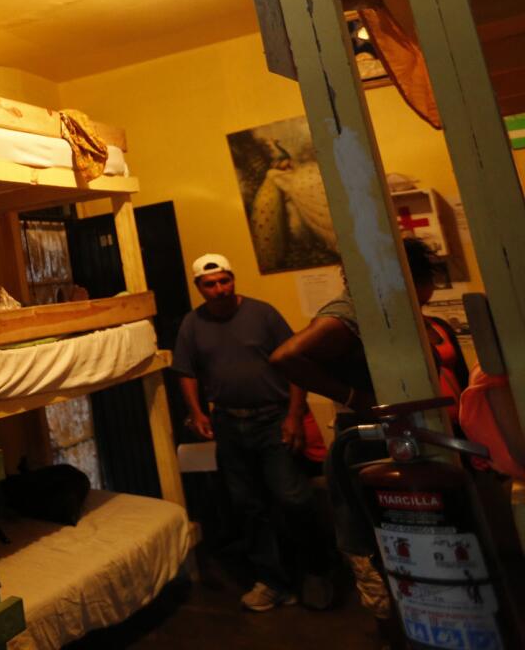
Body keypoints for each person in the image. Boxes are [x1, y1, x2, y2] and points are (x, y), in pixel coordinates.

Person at [269, 236, 466, 631]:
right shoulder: (349, 313)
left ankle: (433, 618)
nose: (428, 292)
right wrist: (355, 397)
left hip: (411, 435)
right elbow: (286, 357)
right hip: (369, 442)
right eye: (424, 280)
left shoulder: (395, 310)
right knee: (380, 539)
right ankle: (394, 625)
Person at [173, 252, 334, 612]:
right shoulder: (191, 324)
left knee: (293, 498)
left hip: (273, 420)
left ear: (232, 279)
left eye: (224, 281)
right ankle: (273, 582)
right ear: (199, 288)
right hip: (229, 425)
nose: (219, 289)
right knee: (247, 505)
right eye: (210, 284)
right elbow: (186, 371)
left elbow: (296, 363)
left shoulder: (263, 314)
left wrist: (294, 416)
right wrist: (197, 411)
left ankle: (317, 572)